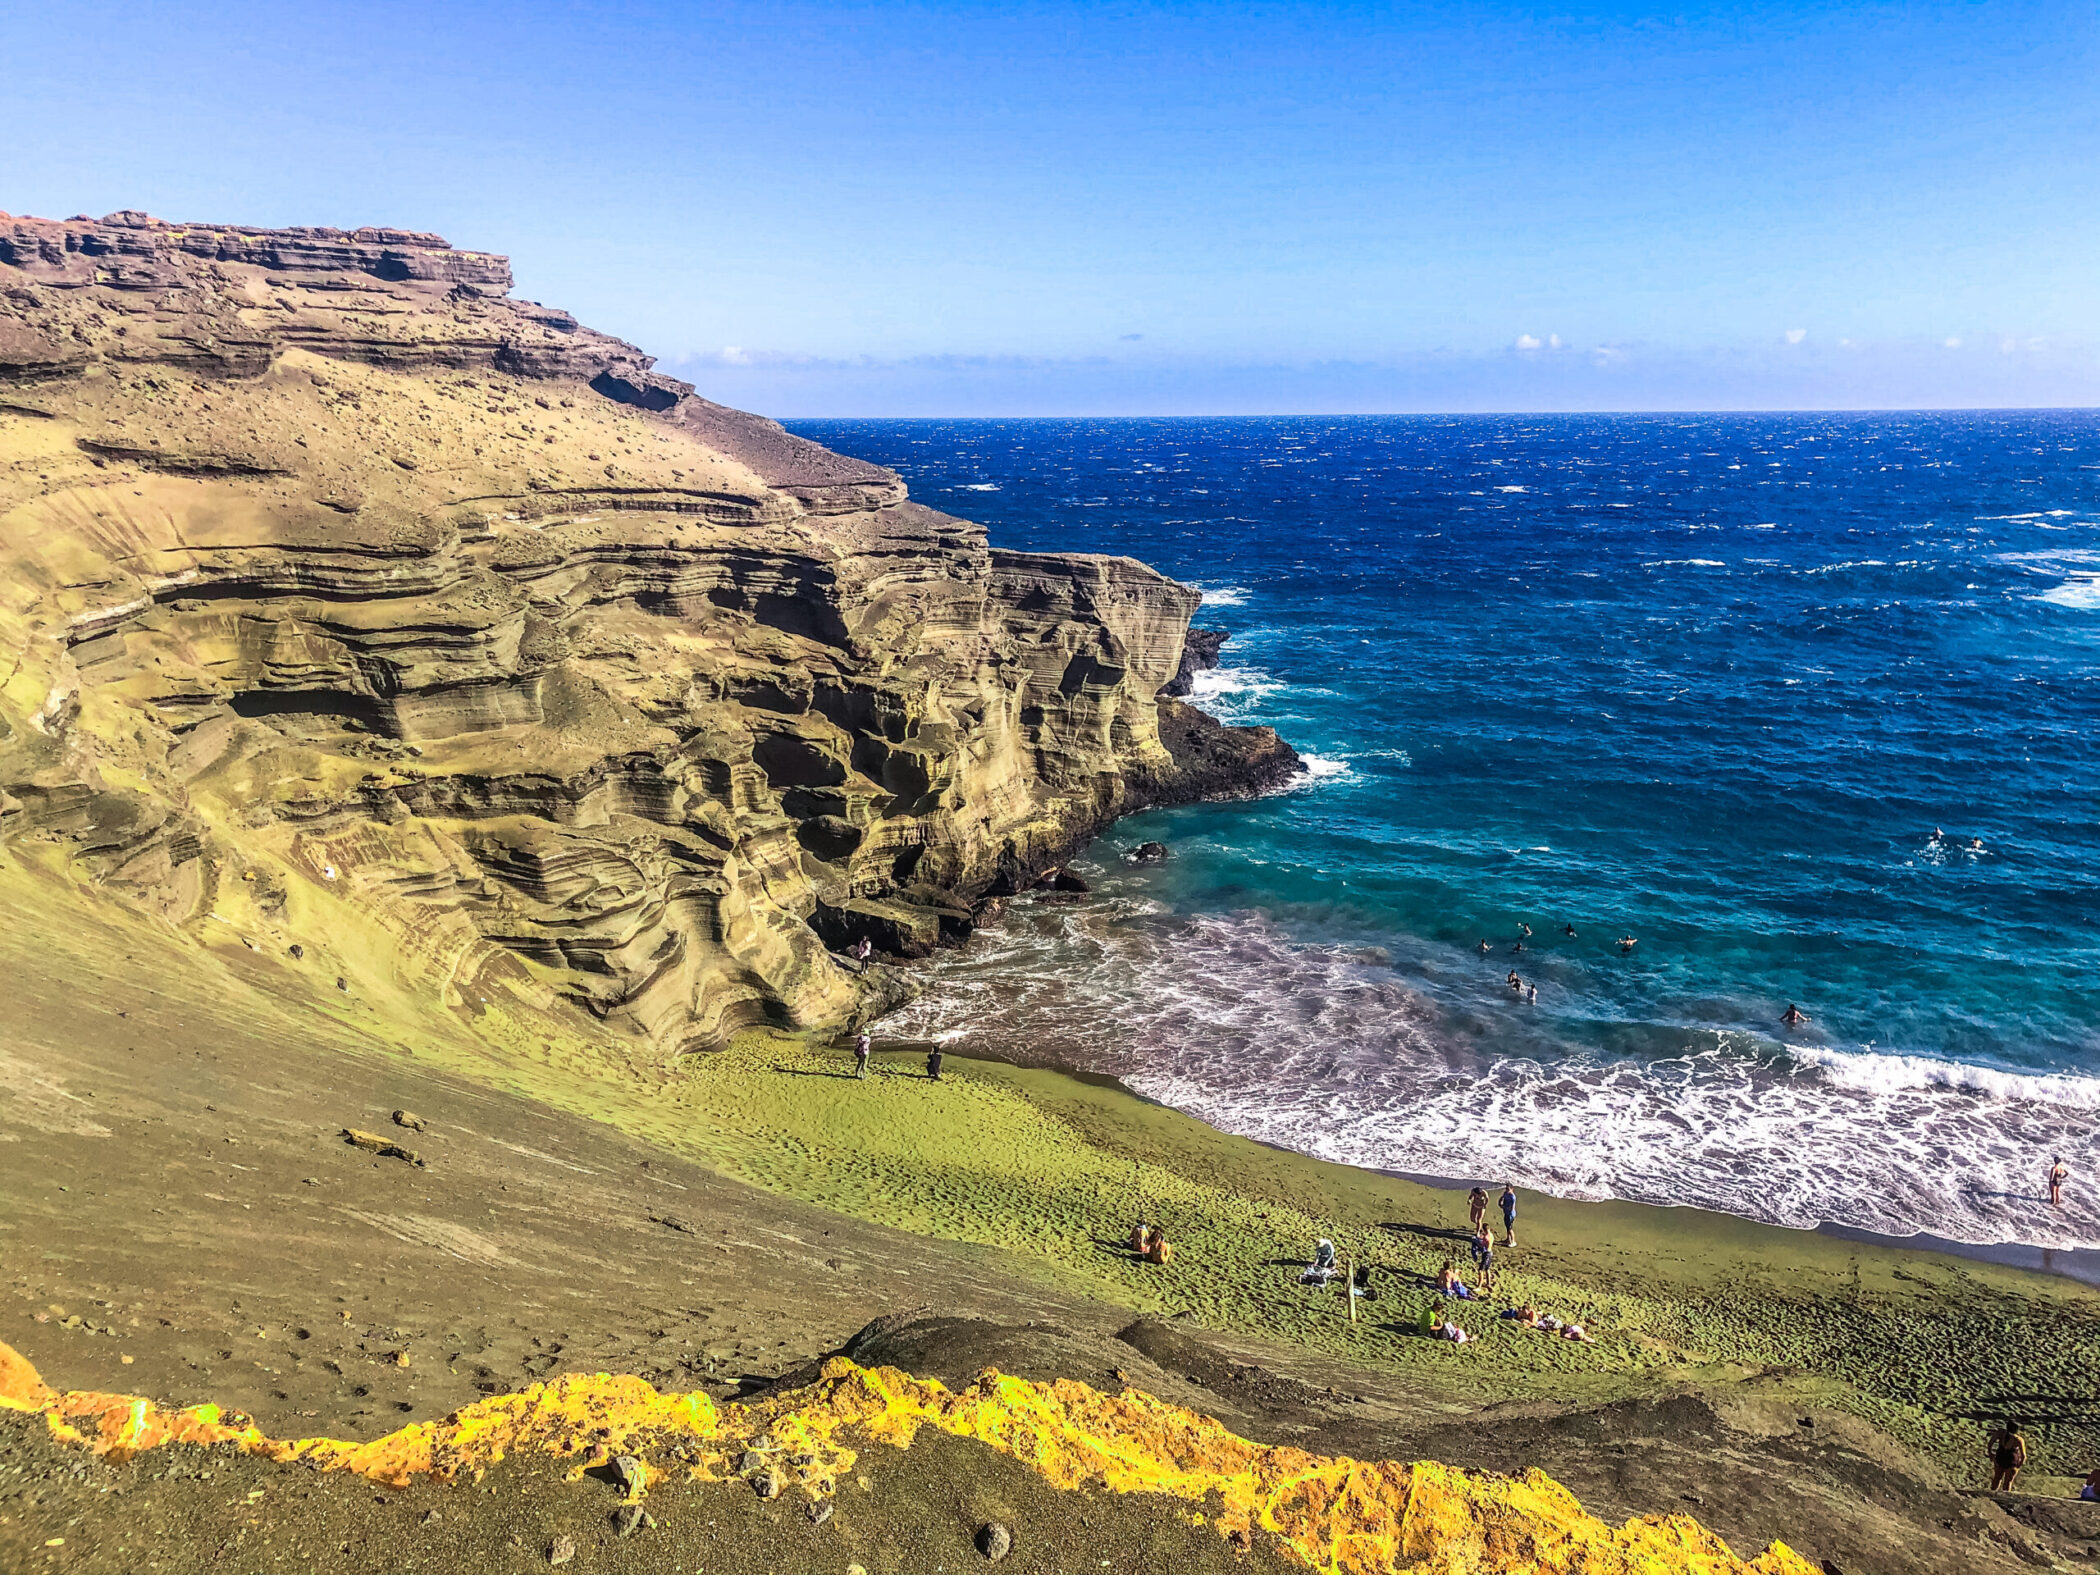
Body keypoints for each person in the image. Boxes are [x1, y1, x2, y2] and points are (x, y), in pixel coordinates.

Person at [1988, 1419, 2028, 1492]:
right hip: (2011, 1460)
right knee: (2008, 1481)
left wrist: (1990, 1453)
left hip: (2000, 1456)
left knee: (1997, 1478)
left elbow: (1990, 1443)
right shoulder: (2018, 1439)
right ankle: (2004, 1497)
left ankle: (1992, 1494)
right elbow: (2023, 1455)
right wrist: (2019, 1464)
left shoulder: (2000, 1434)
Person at [1500, 1183, 1518, 1248]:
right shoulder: (1505, 1193)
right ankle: (1508, 1239)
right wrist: (1500, 1202)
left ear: (1512, 1189)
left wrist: (1504, 1207)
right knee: (1507, 1227)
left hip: (1510, 1214)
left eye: (1508, 1189)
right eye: (1506, 1188)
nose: (1507, 1190)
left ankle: (1513, 1241)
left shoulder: (1512, 1197)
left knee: (1510, 1228)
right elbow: (1502, 1199)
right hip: (1506, 1213)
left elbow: (1511, 1208)